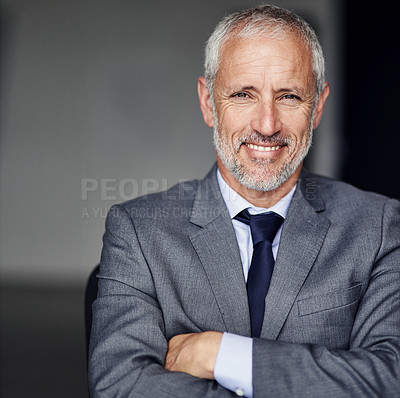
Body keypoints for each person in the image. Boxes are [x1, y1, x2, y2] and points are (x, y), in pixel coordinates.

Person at [88, 5, 400, 397]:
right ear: (208, 103)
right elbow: (121, 386)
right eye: (242, 94)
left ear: (318, 106)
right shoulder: (138, 231)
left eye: (289, 96)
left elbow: (390, 378)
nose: (267, 125)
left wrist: (220, 354)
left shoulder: (379, 225)